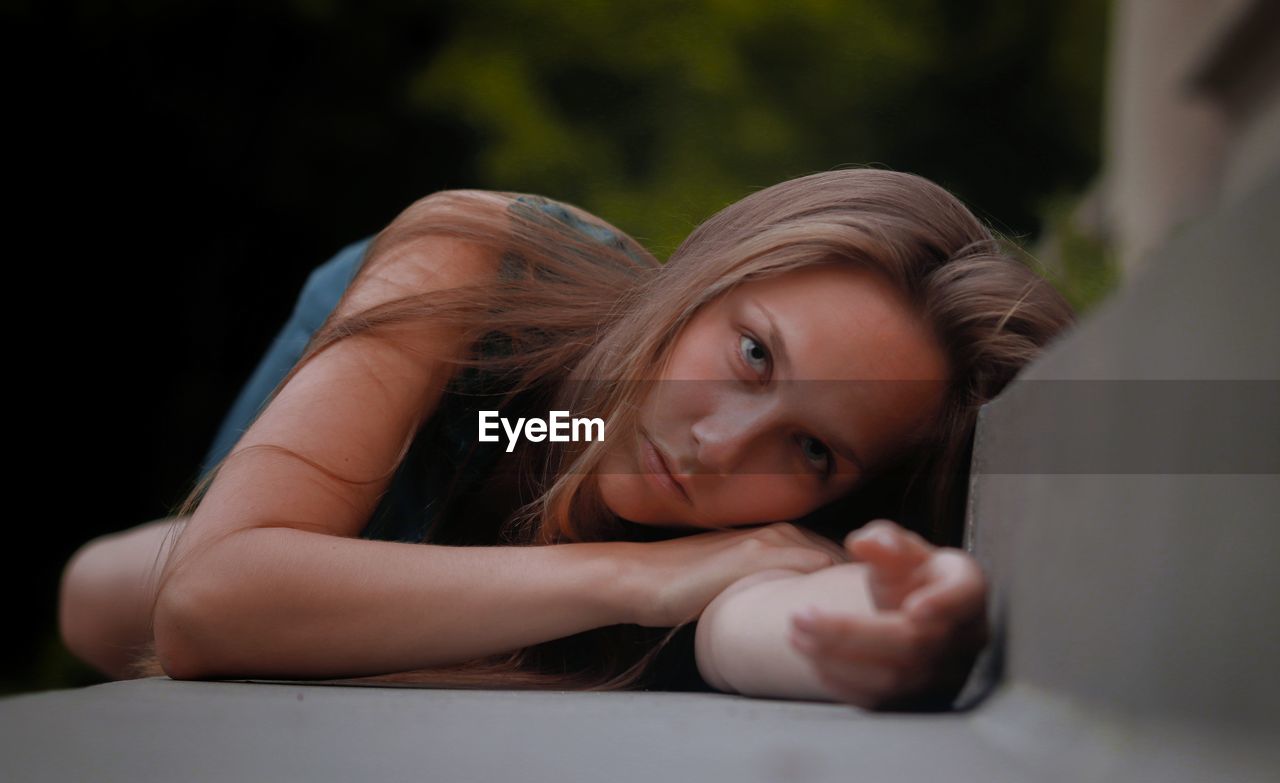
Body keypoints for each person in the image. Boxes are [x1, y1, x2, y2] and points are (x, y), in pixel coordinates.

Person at [58, 169, 1074, 709]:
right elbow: (205, 610)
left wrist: (889, 624)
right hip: (525, 408)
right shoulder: (486, 261)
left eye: (811, 451)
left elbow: (772, 607)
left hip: (550, 458)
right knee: (107, 592)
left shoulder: (753, 534)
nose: (720, 448)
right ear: (709, 274)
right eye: (754, 355)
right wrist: (640, 576)